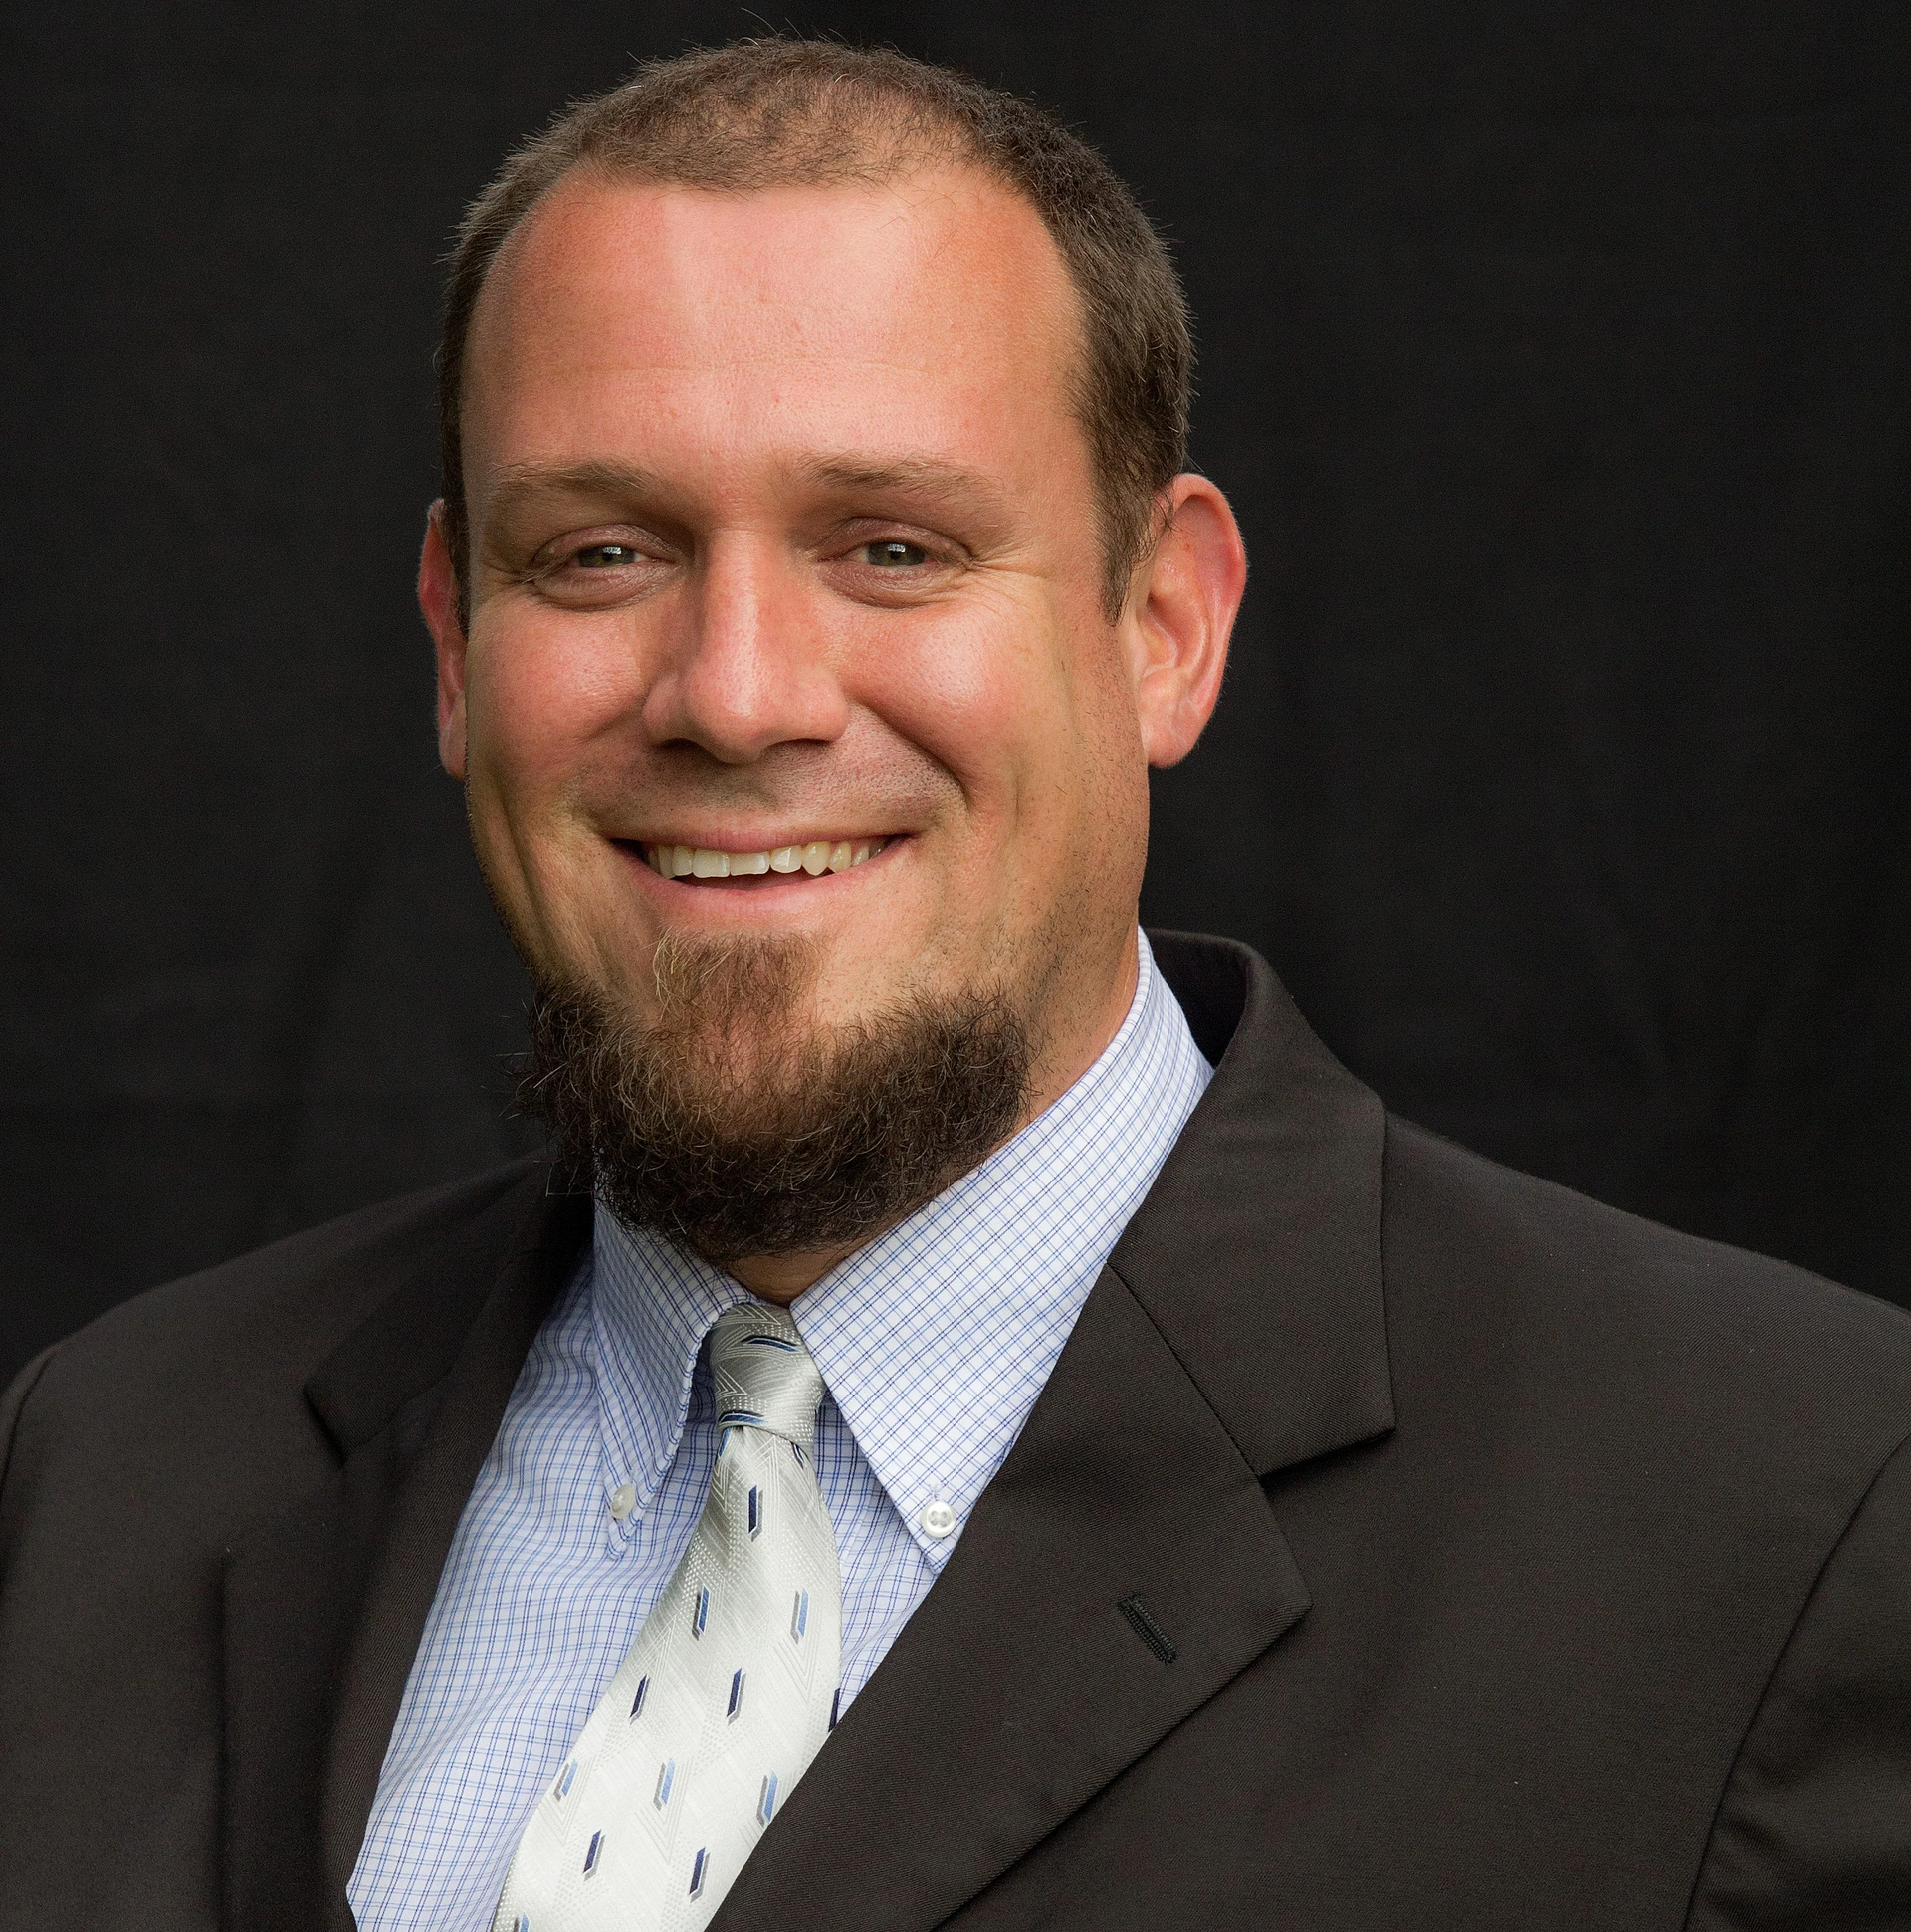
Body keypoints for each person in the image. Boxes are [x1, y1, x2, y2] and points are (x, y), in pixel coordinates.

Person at [2, 38, 1907, 1932]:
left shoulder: (1793, 1525)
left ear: (1164, 625)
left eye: (894, 548)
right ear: (454, 645)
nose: (737, 693)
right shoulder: (105, 1474)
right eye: (601, 553)